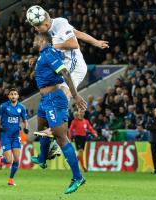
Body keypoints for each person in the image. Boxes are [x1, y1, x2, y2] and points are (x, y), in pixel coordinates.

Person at [28, 5, 109, 163]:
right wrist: (96, 42)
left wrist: (50, 47)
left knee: (61, 94)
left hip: (75, 66)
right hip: (64, 64)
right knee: (50, 98)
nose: (37, 30)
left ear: (44, 24)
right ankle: (53, 141)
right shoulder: (55, 25)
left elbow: (73, 43)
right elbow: (77, 33)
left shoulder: (60, 25)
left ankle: (56, 134)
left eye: (37, 27)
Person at [30, 32, 87, 194]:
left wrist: (75, 95)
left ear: (41, 40)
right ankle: (42, 158)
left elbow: (66, 73)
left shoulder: (48, 54)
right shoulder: (47, 54)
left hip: (54, 98)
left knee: (61, 137)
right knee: (42, 126)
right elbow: (60, 57)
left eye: (35, 39)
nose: (33, 41)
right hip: (46, 99)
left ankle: (78, 177)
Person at [0, 88, 29, 186]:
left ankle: (11, 180)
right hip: (5, 135)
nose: (13, 96)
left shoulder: (21, 107)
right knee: (9, 160)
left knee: (17, 159)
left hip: (15, 136)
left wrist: (26, 128)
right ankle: (2, 160)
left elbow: (25, 120)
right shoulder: (4, 106)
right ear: (9, 96)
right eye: (11, 94)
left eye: (15, 94)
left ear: (18, 96)